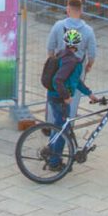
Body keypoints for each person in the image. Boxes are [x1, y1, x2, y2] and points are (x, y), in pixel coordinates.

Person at [45, 27, 94, 170]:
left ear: (65, 42)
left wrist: (89, 93)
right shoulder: (71, 61)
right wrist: (66, 97)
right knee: (63, 131)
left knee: (58, 126)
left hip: (53, 95)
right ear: (77, 45)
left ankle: (51, 152)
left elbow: (75, 80)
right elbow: (58, 80)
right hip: (60, 99)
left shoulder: (61, 55)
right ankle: (54, 162)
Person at [45, 0, 98, 70]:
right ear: (81, 10)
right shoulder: (88, 30)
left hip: (60, 65)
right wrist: (89, 66)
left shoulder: (58, 25)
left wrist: (53, 61)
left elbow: (50, 47)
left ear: (68, 10)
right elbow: (92, 54)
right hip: (77, 67)